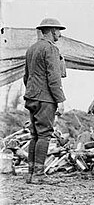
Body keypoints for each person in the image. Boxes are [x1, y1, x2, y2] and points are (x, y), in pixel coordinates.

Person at [23, 18, 67, 184]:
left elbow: (26, 76)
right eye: (58, 31)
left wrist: (32, 91)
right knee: (45, 135)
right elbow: (54, 78)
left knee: (34, 135)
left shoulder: (31, 49)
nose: (60, 35)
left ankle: (31, 173)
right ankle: (39, 175)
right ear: (52, 30)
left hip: (31, 96)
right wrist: (60, 100)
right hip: (45, 98)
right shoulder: (50, 49)